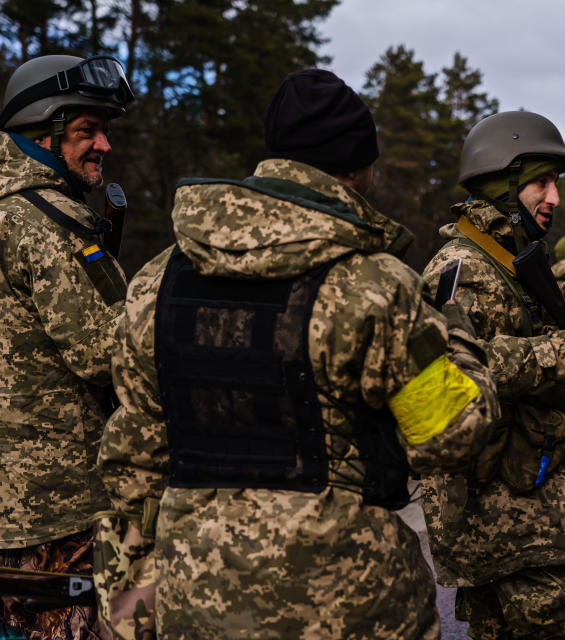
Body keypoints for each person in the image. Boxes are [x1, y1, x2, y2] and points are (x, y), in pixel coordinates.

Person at [93, 69, 500, 640]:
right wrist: (455, 335)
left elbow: (134, 458)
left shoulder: (156, 282)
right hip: (351, 608)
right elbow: (451, 434)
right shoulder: (376, 287)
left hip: (197, 601)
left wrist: (134, 597)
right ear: (357, 169)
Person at [419, 111, 565, 640]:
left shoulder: (509, 260)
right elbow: (446, 378)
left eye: (556, 183)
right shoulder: (460, 269)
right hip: (504, 519)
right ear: (501, 184)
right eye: (541, 182)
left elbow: (526, 336)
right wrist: (560, 353)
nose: (554, 198)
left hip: (530, 507)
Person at [0, 54, 133, 639]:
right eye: (85, 131)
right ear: (40, 136)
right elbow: (102, 354)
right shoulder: (37, 223)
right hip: (56, 504)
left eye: (104, 130)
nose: (102, 145)